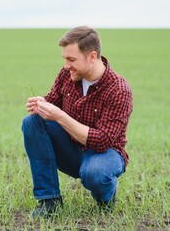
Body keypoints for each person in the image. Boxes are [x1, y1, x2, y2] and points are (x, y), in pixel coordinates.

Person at [21, 26, 133, 218]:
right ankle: (50, 201)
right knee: (32, 122)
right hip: (71, 150)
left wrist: (59, 116)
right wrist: (42, 104)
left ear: (92, 56)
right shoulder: (68, 75)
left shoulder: (119, 89)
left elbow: (102, 141)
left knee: (95, 172)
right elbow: (53, 101)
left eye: (71, 59)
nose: (66, 65)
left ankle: (106, 197)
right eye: (64, 59)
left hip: (105, 155)